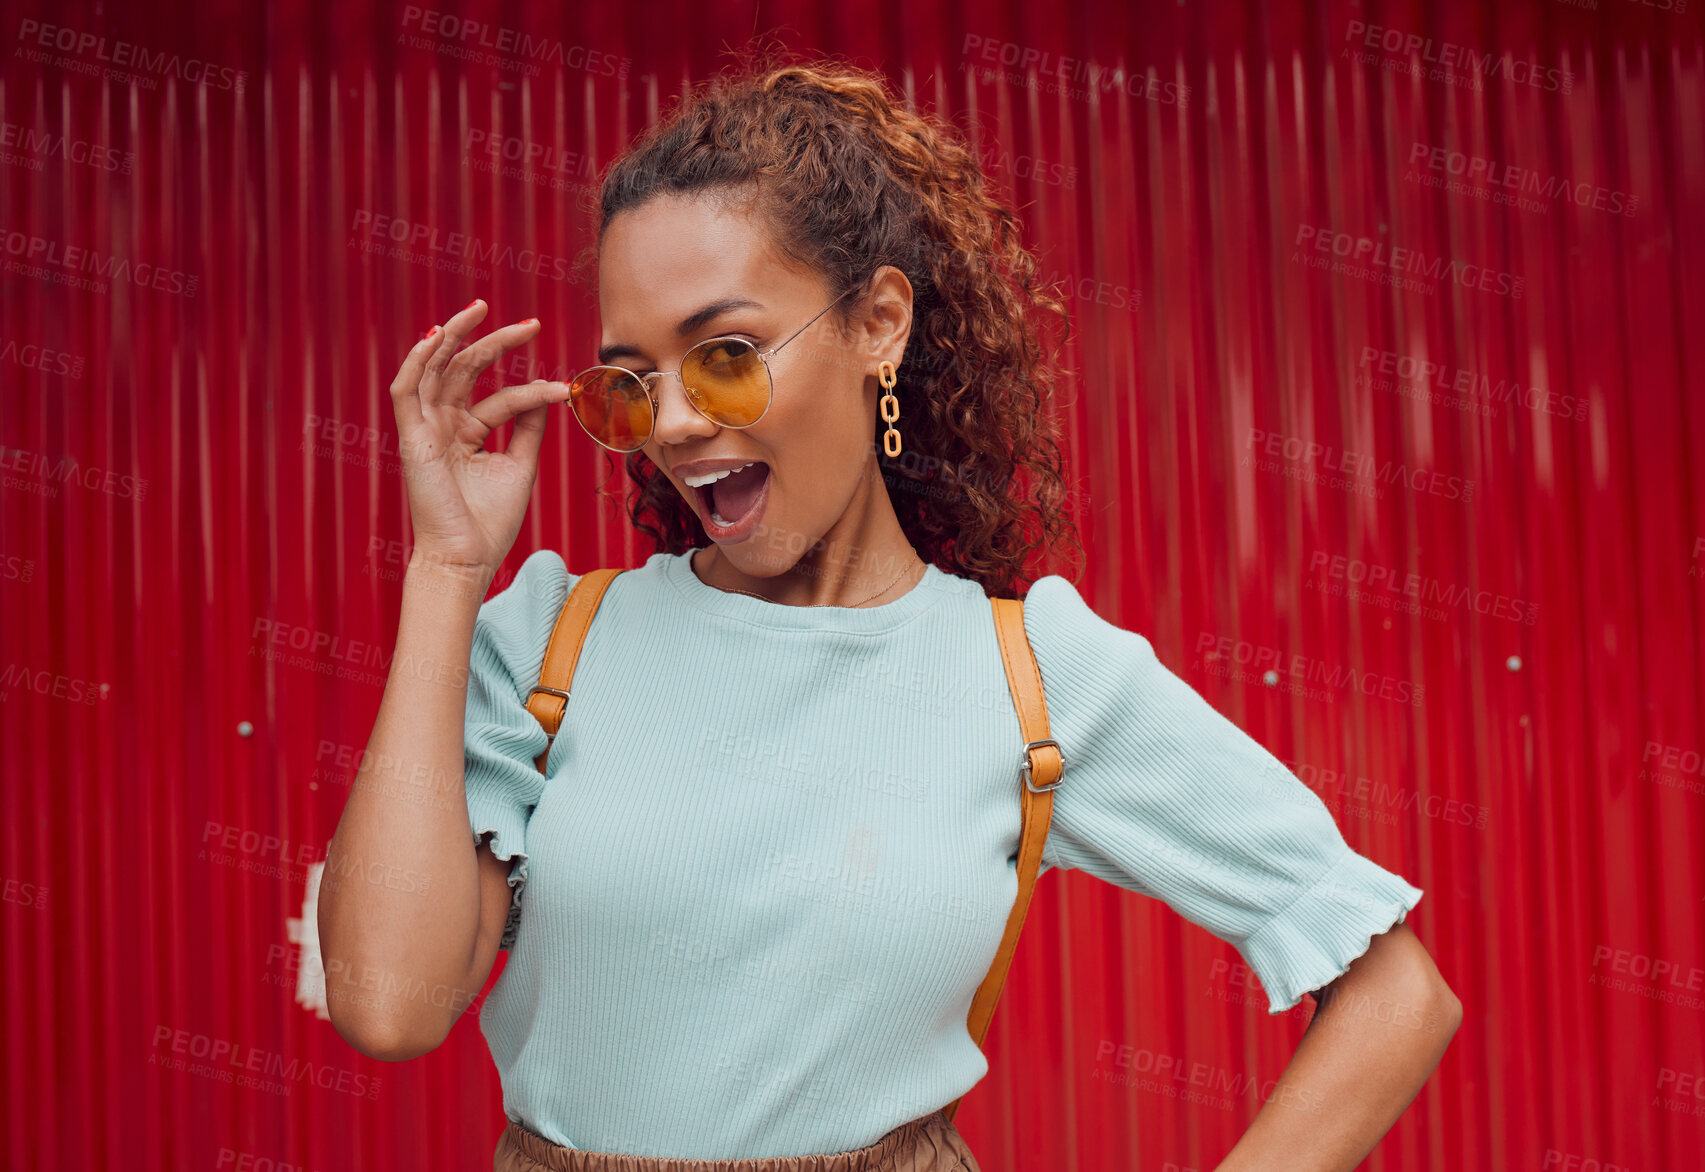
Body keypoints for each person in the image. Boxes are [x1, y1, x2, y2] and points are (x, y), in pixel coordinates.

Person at [318, 55, 1460, 1172]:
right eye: (630, 381)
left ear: (877, 324)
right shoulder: (552, 642)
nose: (669, 423)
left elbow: (1394, 992)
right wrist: (446, 569)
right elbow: (387, 1003)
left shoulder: (1029, 674)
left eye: (724, 355)